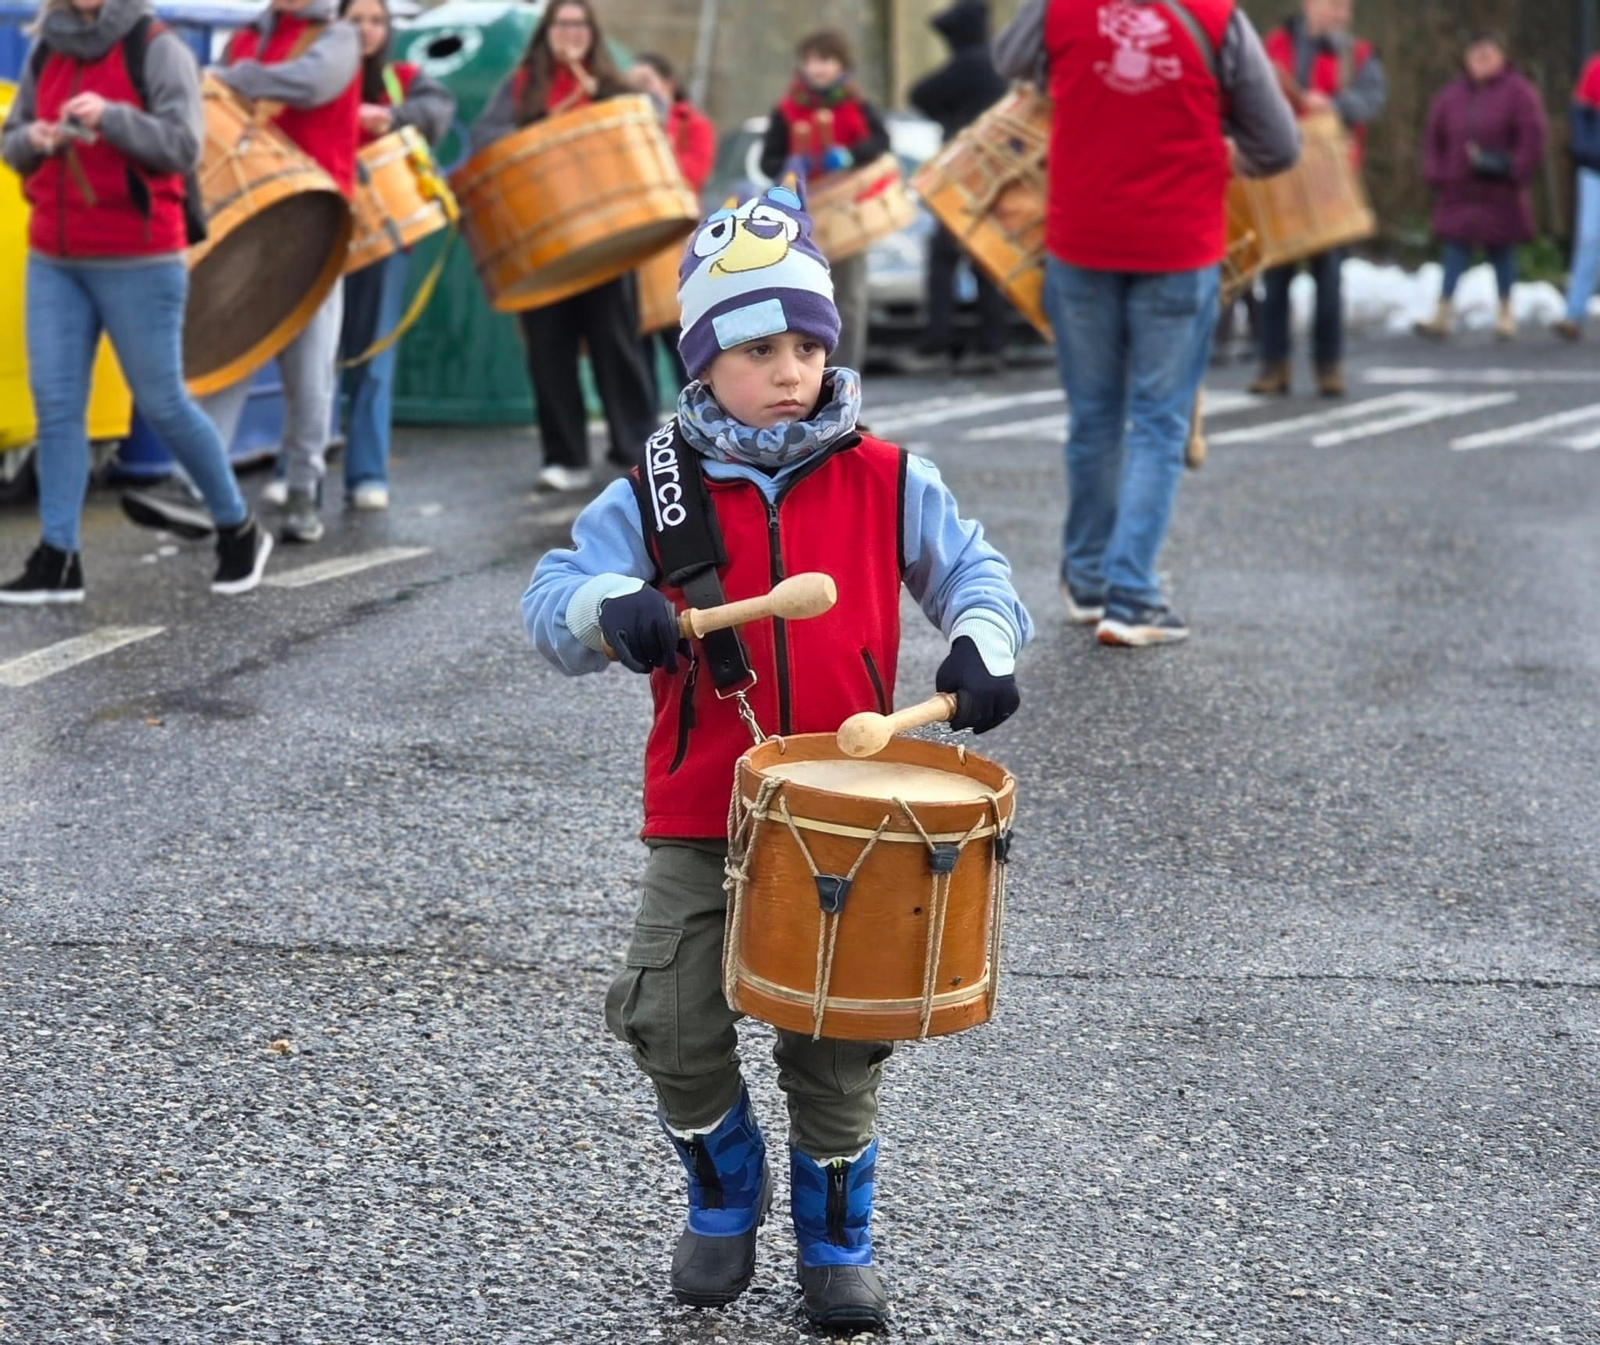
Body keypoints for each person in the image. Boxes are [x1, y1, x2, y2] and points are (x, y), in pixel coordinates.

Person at [521, 181, 1032, 1329]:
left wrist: (981, 644)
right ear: (703, 363)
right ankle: (722, 1194)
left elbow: (977, 576)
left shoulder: (889, 477)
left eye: (807, 343)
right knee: (665, 1013)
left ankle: (834, 1241)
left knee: (839, 1045)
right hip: (704, 805)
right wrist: (614, 606)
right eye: (759, 348)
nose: (790, 367)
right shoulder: (656, 488)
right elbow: (549, 598)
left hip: (851, 812)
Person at [993, 0, 1298, 647]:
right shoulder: (1216, 19)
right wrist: (1224, 155)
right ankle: (1132, 597)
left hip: (1080, 241)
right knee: (1159, 422)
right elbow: (1280, 143)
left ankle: (1088, 579)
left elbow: (1008, 59)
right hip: (1177, 245)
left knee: (1094, 416)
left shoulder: (1062, 9)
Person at [0, 0, 273, 603]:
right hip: (55, 257)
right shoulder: (47, 46)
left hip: (140, 258)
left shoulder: (156, 45)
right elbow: (10, 139)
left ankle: (239, 529)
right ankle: (58, 556)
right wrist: (35, 137)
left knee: (162, 401)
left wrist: (114, 117)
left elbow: (182, 146)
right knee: (57, 408)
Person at [180, 0, 362, 545]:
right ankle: (198, 490)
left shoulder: (338, 35)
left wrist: (230, 77)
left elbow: (312, 83)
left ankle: (304, 492)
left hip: (315, 226)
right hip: (256, 227)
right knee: (233, 359)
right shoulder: (247, 38)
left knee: (309, 382)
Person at [473, 0, 658, 493]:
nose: (571, 33)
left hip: (607, 238)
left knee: (616, 346)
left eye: (580, 24)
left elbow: (651, 119)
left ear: (592, 33)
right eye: (562, 24)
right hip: (544, 242)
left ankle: (635, 449)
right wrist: (541, 125)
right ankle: (565, 456)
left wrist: (606, 102)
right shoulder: (520, 85)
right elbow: (484, 139)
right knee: (548, 351)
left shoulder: (610, 83)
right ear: (547, 32)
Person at [331, 0, 454, 512]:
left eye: (375, 20)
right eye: (355, 20)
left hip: (386, 232)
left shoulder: (403, 78)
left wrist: (394, 115)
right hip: (320, 230)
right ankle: (293, 470)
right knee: (311, 359)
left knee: (373, 355)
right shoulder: (322, 76)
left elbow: (439, 110)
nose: (366, 30)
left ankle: (366, 472)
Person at [1249, 0, 1386, 398]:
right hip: (1280, 179)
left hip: (1332, 184)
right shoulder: (1273, 44)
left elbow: (1372, 99)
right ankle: (1273, 365)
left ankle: (1329, 365)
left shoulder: (1357, 54)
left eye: (1346, 8)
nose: (1342, 14)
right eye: (1334, 5)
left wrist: (1336, 105)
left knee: (1329, 280)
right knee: (1276, 278)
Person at [759, 30, 890, 375]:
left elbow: (881, 142)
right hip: (802, 219)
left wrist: (849, 156)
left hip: (848, 214)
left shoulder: (857, 105)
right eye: (812, 60)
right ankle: (808, 380)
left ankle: (846, 380)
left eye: (826, 60)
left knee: (848, 301)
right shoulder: (786, 110)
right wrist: (788, 167)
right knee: (804, 301)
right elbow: (767, 162)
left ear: (841, 65)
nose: (818, 68)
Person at [1414, 32, 1545, 343]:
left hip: (1500, 190)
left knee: (1502, 252)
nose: (1482, 62)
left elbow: (1532, 139)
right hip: (1458, 190)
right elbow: (1433, 139)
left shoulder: (1519, 93)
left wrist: (1514, 169)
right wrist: (1437, 174)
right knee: (1454, 252)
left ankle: (1505, 313)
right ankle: (1442, 311)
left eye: (1488, 55)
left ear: (1500, 57)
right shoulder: (1450, 95)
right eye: (1476, 55)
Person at [908, 0, 1011, 373]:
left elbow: (918, 94)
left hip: (963, 176)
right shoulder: (1000, 65)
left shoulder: (969, 64)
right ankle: (991, 344)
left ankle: (938, 341)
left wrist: (947, 116)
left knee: (943, 259)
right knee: (986, 261)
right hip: (992, 176)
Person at [626, 52, 714, 407]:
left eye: (646, 83)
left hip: (678, 248)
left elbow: (690, 174)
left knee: (683, 344)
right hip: (637, 245)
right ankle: (643, 431)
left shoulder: (692, 125)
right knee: (635, 348)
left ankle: (699, 422)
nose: (640, 93)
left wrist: (657, 126)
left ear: (668, 85)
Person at [1556, 51, 1600, 340]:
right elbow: (1580, 114)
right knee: (1589, 239)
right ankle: (1573, 313)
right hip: (1595, 169)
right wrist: (1586, 150)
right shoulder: (1596, 68)